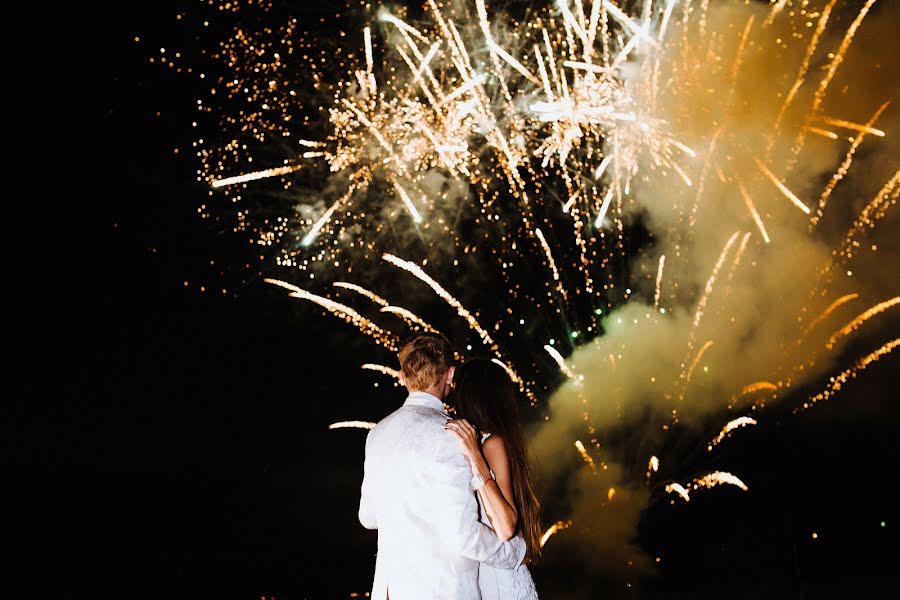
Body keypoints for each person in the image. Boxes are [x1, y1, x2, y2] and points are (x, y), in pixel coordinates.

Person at [358, 332, 526, 600]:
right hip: (442, 591)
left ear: (403, 377)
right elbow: (464, 535)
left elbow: (367, 517)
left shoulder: (377, 433)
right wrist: (515, 553)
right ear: (450, 374)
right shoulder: (450, 435)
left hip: (392, 590)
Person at [445, 359, 541, 600]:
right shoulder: (490, 441)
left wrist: (475, 457)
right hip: (491, 574)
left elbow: (505, 526)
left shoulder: (491, 444)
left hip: (501, 582)